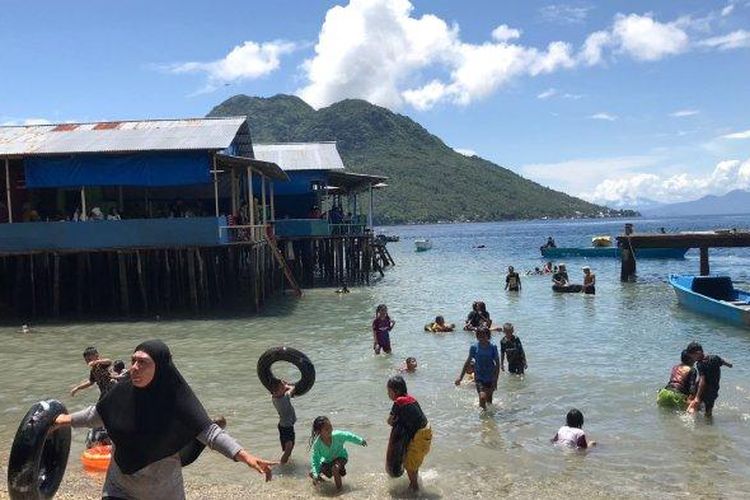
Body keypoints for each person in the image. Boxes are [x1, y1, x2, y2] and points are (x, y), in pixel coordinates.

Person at [53, 340, 275, 499]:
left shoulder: (178, 401)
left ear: (160, 367)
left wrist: (245, 456)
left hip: (163, 491)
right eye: (133, 361)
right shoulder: (123, 390)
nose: (134, 368)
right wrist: (63, 420)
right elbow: (97, 414)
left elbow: (210, 433)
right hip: (119, 487)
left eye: (143, 363)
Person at [387, 375, 432, 491]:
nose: (388, 394)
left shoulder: (399, 401)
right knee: (412, 460)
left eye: (389, 391)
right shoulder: (411, 398)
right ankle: (413, 484)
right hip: (426, 432)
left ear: (396, 391)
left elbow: (390, 420)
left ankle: (414, 489)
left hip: (419, 435)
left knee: (409, 464)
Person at [309, 416, 367, 491]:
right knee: (312, 473)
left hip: (341, 457)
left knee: (335, 468)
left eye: (330, 427)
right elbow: (315, 460)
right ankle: (326, 483)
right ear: (318, 432)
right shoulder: (317, 445)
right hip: (328, 461)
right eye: (327, 429)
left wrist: (360, 440)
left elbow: (348, 436)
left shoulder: (337, 435)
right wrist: (316, 475)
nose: (330, 430)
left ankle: (339, 490)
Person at [455, 326, 500, 410]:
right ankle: (483, 418)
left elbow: (497, 364)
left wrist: (495, 380)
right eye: (479, 336)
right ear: (477, 336)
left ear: (488, 336)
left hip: (490, 376)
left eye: (484, 336)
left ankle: (489, 421)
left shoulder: (493, 347)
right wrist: (460, 377)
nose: (481, 338)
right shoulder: (474, 347)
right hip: (479, 376)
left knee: (489, 401)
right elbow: (468, 362)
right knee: (482, 398)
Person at [686, 342, 733, 417]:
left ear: (698, 353)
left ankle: (691, 420)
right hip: (713, 390)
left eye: (692, 356)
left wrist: (697, 397)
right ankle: (708, 424)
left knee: (694, 404)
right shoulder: (714, 358)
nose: (692, 359)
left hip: (703, 389)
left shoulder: (700, 364)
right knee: (708, 412)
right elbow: (724, 362)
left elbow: (702, 380)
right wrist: (729, 365)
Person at [270, 379, 297, 464]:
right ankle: (282, 464)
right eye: (282, 388)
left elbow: (276, 391)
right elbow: (293, 387)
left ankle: (287, 461)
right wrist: (287, 385)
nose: (284, 389)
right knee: (289, 447)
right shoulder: (286, 396)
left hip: (283, 426)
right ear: (275, 391)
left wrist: (282, 385)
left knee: (288, 447)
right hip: (287, 427)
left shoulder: (273, 398)